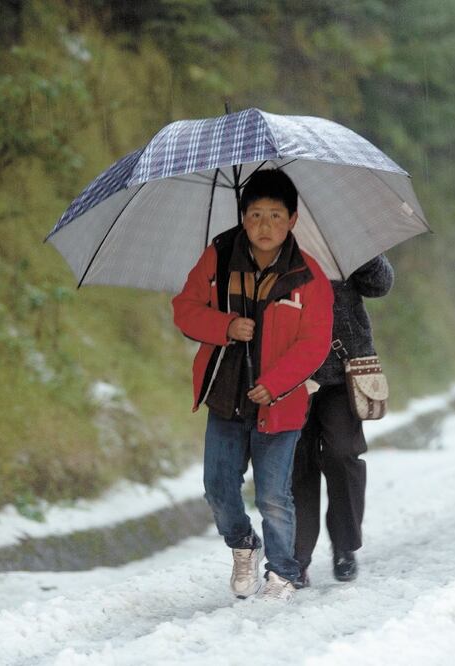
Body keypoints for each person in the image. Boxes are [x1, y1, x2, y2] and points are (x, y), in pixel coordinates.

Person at [172, 169, 333, 602]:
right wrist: (225, 325)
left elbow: (314, 343)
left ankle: (282, 572)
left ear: (293, 220)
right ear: (243, 217)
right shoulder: (220, 256)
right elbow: (184, 309)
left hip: (279, 405)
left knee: (274, 497)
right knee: (219, 489)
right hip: (226, 395)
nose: (265, 226)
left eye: (276, 216)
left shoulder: (308, 276)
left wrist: (276, 385)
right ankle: (243, 544)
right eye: (256, 214)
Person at [292, 254, 394, 586]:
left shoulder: (340, 239)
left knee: (342, 454)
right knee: (296, 464)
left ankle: (345, 546)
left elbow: (380, 285)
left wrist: (360, 254)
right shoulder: (273, 240)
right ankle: (296, 557)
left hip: (343, 371)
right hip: (289, 372)